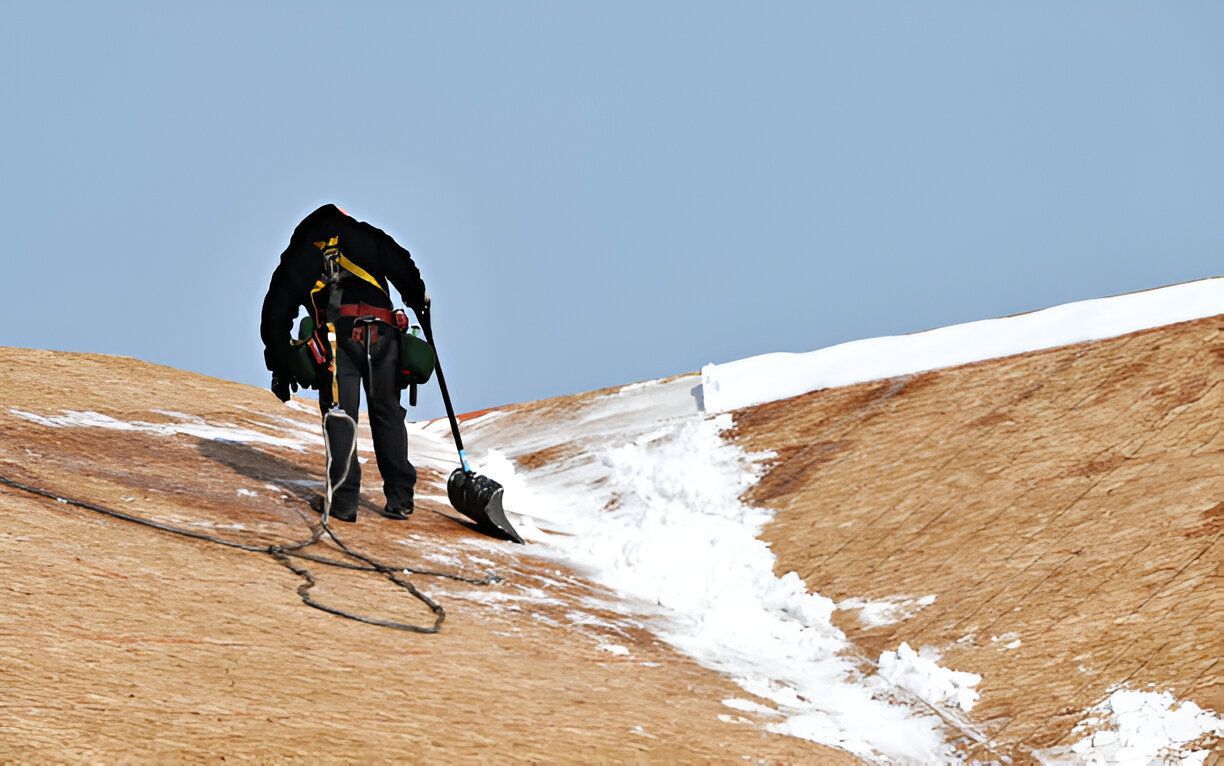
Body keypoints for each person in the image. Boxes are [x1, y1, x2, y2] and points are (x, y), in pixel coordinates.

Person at [260, 204, 427, 522]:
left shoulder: (299, 253)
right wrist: (418, 298)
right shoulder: (365, 234)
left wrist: (279, 363)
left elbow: (275, 314)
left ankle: (344, 502)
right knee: (387, 411)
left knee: (340, 415)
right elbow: (403, 264)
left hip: (339, 337)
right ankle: (401, 499)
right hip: (385, 332)